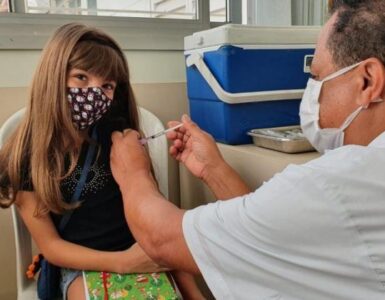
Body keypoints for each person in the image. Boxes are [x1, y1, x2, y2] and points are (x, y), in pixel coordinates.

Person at [109, 1, 385, 299]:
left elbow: (163, 239)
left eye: (316, 77)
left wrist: (133, 172)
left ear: (368, 80)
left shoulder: (336, 185)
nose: (310, 92)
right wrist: (213, 169)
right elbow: (274, 237)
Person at [0, 23, 203, 299]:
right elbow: (51, 247)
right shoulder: (24, 157)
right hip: (80, 264)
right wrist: (124, 263)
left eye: (106, 85)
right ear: (54, 77)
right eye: (81, 77)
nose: (94, 94)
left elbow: (154, 213)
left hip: (142, 248)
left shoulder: (116, 134)